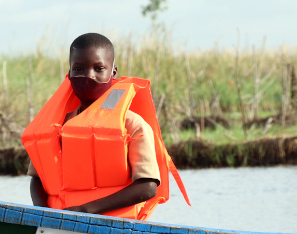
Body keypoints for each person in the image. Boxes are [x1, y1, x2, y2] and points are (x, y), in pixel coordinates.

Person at [22, 33, 188, 220]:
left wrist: (85, 211)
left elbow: (148, 186)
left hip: (115, 227)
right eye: (79, 69)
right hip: (59, 224)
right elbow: (37, 178)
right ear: (69, 73)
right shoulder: (57, 126)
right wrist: (45, 214)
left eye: (99, 68)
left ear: (113, 72)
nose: (88, 76)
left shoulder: (133, 125)